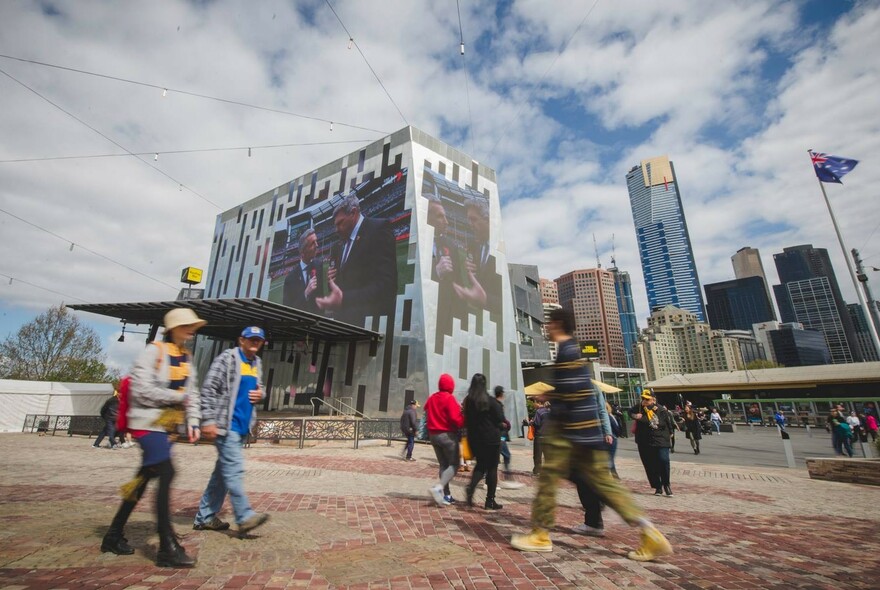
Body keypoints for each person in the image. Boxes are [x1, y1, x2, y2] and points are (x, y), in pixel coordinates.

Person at [510, 308, 672, 561]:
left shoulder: (567, 352)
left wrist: (554, 401)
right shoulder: (574, 352)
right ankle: (649, 533)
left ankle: (540, 534)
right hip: (589, 434)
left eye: (549, 324)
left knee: (548, 482)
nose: (546, 329)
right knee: (606, 486)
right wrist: (553, 394)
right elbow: (577, 390)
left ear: (558, 324)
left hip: (570, 435)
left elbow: (573, 392)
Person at [100, 308, 204, 568]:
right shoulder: (154, 351)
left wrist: (193, 420)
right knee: (167, 473)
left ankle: (113, 535)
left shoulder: (186, 356)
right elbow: (141, 389)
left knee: (143, 479)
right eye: (186, 325)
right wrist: (178, 399)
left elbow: (192, 392)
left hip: (166, 427)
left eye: (193, 325)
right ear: (172, 328)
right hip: (146, 424)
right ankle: (167, 546)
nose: (191, 329)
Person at [192, 326, 271, 538]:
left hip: (242, 426)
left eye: (259, 340)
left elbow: (259, 387)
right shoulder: (227, 359)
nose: (255, 343)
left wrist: (261, 393)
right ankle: (244, 517)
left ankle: (205, 517)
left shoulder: (257, 363)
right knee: (234, 470)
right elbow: (208, 389)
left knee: (221, 475)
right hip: (225, 426)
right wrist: (207, 420)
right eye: (251, 339)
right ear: (241, 340)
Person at [316, 194, 397, 326]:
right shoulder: (339, 245)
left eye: (340, 223)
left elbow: (387, 287)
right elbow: (340, 284)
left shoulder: (379, 229)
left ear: (353, 213)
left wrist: (344, 299)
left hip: (369, 326)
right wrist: (331, 281)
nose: (336, 229)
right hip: (343, 324)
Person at [462, 374, 505, 510]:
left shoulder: (468, 401)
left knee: (480, 466)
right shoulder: (490, 401)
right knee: (492, 468)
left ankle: (471, 489)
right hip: (492, 439)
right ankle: (490, 501)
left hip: (475, 439)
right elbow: (500, 418)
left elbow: (466, 419)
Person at [423, 373, 464, 506]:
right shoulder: (449, 398)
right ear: (451, 385)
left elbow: (426, 410)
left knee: (443, 465)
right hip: (447, 435)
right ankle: (439, 487)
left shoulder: (432, 397)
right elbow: (455, 419)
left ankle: (445, 495)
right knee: (454, 464)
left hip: (433, 435)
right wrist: (463, 421)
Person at [632, 392, 676, 497]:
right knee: (650, 464)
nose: (645, 401)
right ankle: (658, 486)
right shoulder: (639, 408)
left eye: (647, 399)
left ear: (653, 400)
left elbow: (668, 423)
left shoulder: (661, 410)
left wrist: (671, 434)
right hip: (644, 441)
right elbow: (630, 412)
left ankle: (666, 484)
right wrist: (635, 416)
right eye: (643, 399)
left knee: (663, 460)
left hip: (661, 439)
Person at [282, 227, 321, 313]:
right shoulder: (290, 279)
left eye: (316, 241)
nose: (317, 245)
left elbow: (320, 297)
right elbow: (287, 311)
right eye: (312, 243)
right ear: (303, 252)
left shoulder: (318, 266)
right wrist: (306, 293)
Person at [494, 386, 513, 478]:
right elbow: (499, 420)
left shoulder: (495, 404)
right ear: (501, 393)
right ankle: (507, 475)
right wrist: (504, 424)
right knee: (506, 454)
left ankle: (507, 474)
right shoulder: (498, 405)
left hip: (501, 435)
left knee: (498, 456)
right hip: (500, 435)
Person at [531, 401, 551, 475]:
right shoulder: (550, 412)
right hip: (549, 436)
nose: (534, 404)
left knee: (537, 455)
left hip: (540, 436)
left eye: (535, 403)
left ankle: (537, 471)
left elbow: (537, 423)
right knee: (547, 455)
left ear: (539, 403)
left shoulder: (539, 412)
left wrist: (531, 422)